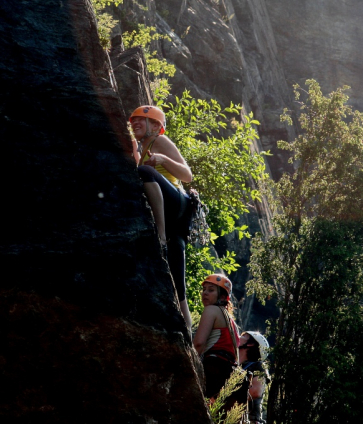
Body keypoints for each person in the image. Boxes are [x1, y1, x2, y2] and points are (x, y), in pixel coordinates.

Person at [130, 105, 193, 329]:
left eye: (141, 120)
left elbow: (187, 175)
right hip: (174, 216)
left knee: (145, 172)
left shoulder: (159, 141)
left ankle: (161, 236)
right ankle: (191, 339)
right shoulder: (140, 147)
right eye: (133, 120)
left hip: (177, 204)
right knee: (178, 283)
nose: (135, 123)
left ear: (156, 126)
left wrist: (162, 160)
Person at [193, 274, 248, 414]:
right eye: (204, 289)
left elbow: (198, 343)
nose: (205, 293)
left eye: (211, 290)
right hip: (230, 374)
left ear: (223, 297)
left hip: (213, 368)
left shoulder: (211, 310)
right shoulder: (232, 322)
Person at [239, 331, 271, 424]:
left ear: (250, 344)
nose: (237, 337)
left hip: (250, 419)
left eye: (244, 336)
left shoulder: (259, 366)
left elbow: (254, 392)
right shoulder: (234, 362)